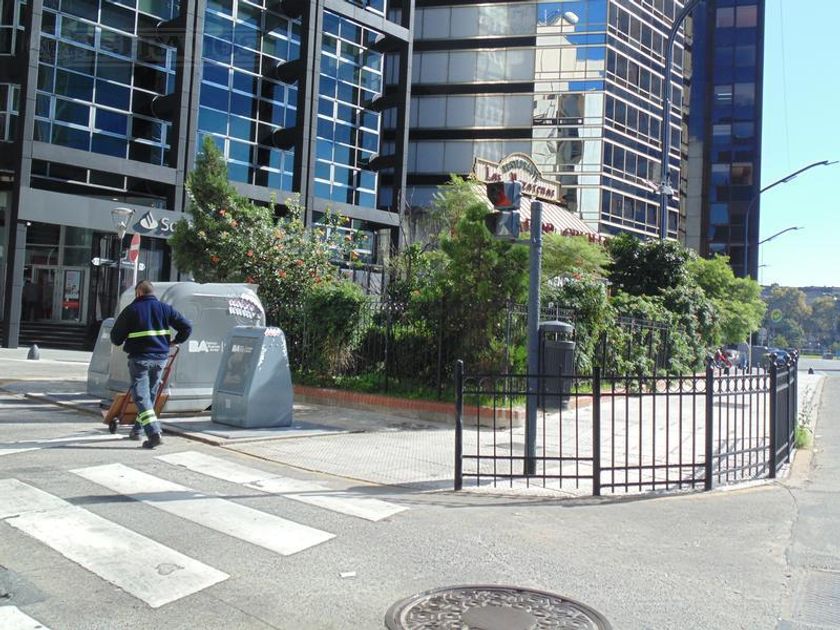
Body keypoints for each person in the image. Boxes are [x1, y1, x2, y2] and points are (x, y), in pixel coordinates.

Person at [110, 280, 192, 449]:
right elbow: (186, 327)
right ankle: (138, 430)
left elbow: (116, 338)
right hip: (160, 358)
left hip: (140, 358)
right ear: (152, 292)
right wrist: (175, 341)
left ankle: (154, 433)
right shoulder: (165, 309)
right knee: (150, 395)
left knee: (141, 396)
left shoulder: (132, 310)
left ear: (138, 292)